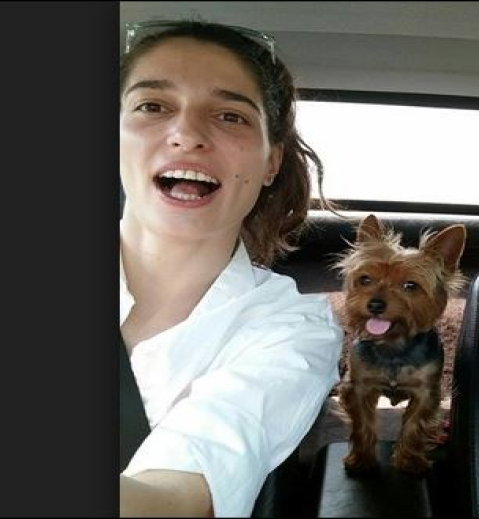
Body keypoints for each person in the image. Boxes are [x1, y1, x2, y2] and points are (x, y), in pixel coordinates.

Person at [118, 20, 343, 516]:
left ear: (271, 163)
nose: (186, 134)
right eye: (152, 106)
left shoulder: (291, 329)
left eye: (230, 116)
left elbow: (175, 498)